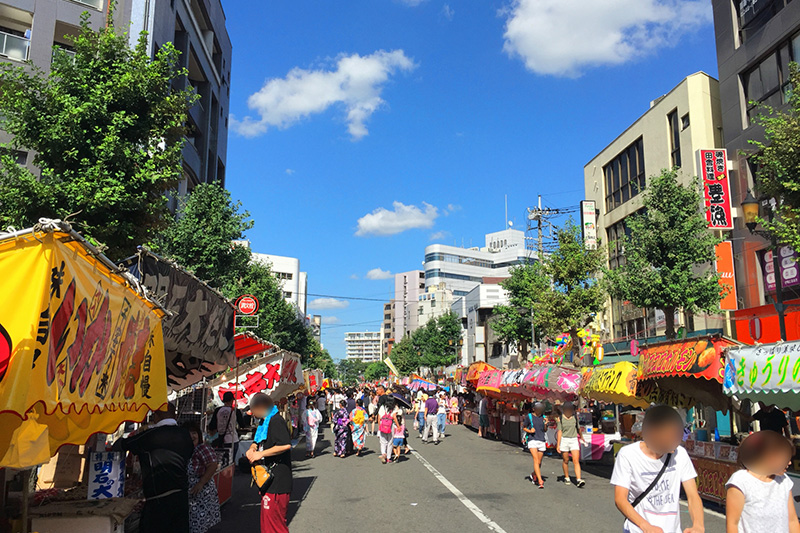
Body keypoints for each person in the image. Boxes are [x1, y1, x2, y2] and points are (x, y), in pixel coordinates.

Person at [611, 405, 704, 533]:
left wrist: (698, 525)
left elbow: (693, 495)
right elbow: (620, 499)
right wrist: (645, 526)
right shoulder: (628, 455)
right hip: (638, 529)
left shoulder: (680, 454)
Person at [113, 403, 194, 533]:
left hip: (158, 501)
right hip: (181, 498)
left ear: (156, 415)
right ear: (175, 414)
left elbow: (121, 445)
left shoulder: (151, 435)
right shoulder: (185, 435)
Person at [726, 430, 800, 533]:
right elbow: (732, 524)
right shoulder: (741, 481)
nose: (789, 462)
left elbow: (792, 520)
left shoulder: (784, 481)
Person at [246, 393, 293, 533]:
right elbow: (257, 441)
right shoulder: (264, 422)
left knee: (275, 525)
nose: (252, 413)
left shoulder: (275, 420)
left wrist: (260, 454)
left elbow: (285, 445)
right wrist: (252, 448)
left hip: (278, 481)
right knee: (268, 523)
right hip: (268, 480)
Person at [183, 422, 221, 533]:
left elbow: (212, 465)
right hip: (191, 497)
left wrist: (201, 483)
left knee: (199, 527)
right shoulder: (186, 451)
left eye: (194, 433)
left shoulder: (202, 448)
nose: (191, 436)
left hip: (203, 496)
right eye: (188, 433)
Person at [556, 402, 585, 488]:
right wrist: (558, 444)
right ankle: (566, 476)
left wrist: (582, 437)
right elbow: (559, 432)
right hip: (565, 440)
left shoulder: (575, 417)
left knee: (576, 460)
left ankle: (579, 479)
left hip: (574, 439)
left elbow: (578, 428)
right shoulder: (560, 418)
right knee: (566, 460)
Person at [523, 403, 547, 489]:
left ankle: (534, 474)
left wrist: (545, 424)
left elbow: (545, 430)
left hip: (541, 439)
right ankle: (540, 481)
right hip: (532, 439)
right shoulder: (529, 416)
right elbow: (524, 427)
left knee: (539, 462)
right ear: (534, 409)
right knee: (536, 460)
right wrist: (530, 431)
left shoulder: (543, 417)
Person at [216, 391, 240, 461]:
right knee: (232, 461)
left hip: (221, 439)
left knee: (222, 462)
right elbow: (242, 424)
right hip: (233, 439)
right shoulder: (235, 411)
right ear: (232, 400)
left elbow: (214, 425)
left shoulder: (218, 410)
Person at [378, 396, 396, 464]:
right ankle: (388, 457)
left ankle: (383, 453)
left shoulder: (382, 407)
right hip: (390, 426)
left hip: (383, 425)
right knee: (390, 442)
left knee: (383, 441)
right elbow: (394, 417)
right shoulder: (393, 408)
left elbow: (379, 417)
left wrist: (379, 426)